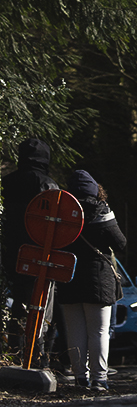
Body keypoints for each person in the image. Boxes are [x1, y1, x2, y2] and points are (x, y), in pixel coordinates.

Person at [57, 169, 127, 392]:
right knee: (98, 331)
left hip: (67, 275)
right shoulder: (101, 210)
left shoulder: (61, 212)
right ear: (96, 189)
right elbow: (120, 243)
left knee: (74, 330)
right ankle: (99, 379)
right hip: (98, 278)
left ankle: (80, 377)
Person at [1, 137, 61, 360]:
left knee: (18, 302)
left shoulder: (7, 183)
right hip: (41, 254)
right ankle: (38, 353)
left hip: (12, 253)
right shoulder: (48, 185)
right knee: (43, 304)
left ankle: (15, 350)